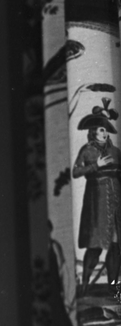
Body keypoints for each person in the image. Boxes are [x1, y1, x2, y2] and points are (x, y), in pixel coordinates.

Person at [72, 108, 121, 289]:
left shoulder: (115, 151)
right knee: (95, 245)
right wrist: (95, 165)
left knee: (115, 244)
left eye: (106, 129)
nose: (104, 133)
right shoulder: (87, 151)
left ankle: (113, 286)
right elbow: (76, 172)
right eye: (101, 129)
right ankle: (85, 283)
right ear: (93, 132)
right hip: (96, 199)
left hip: (115, 199)